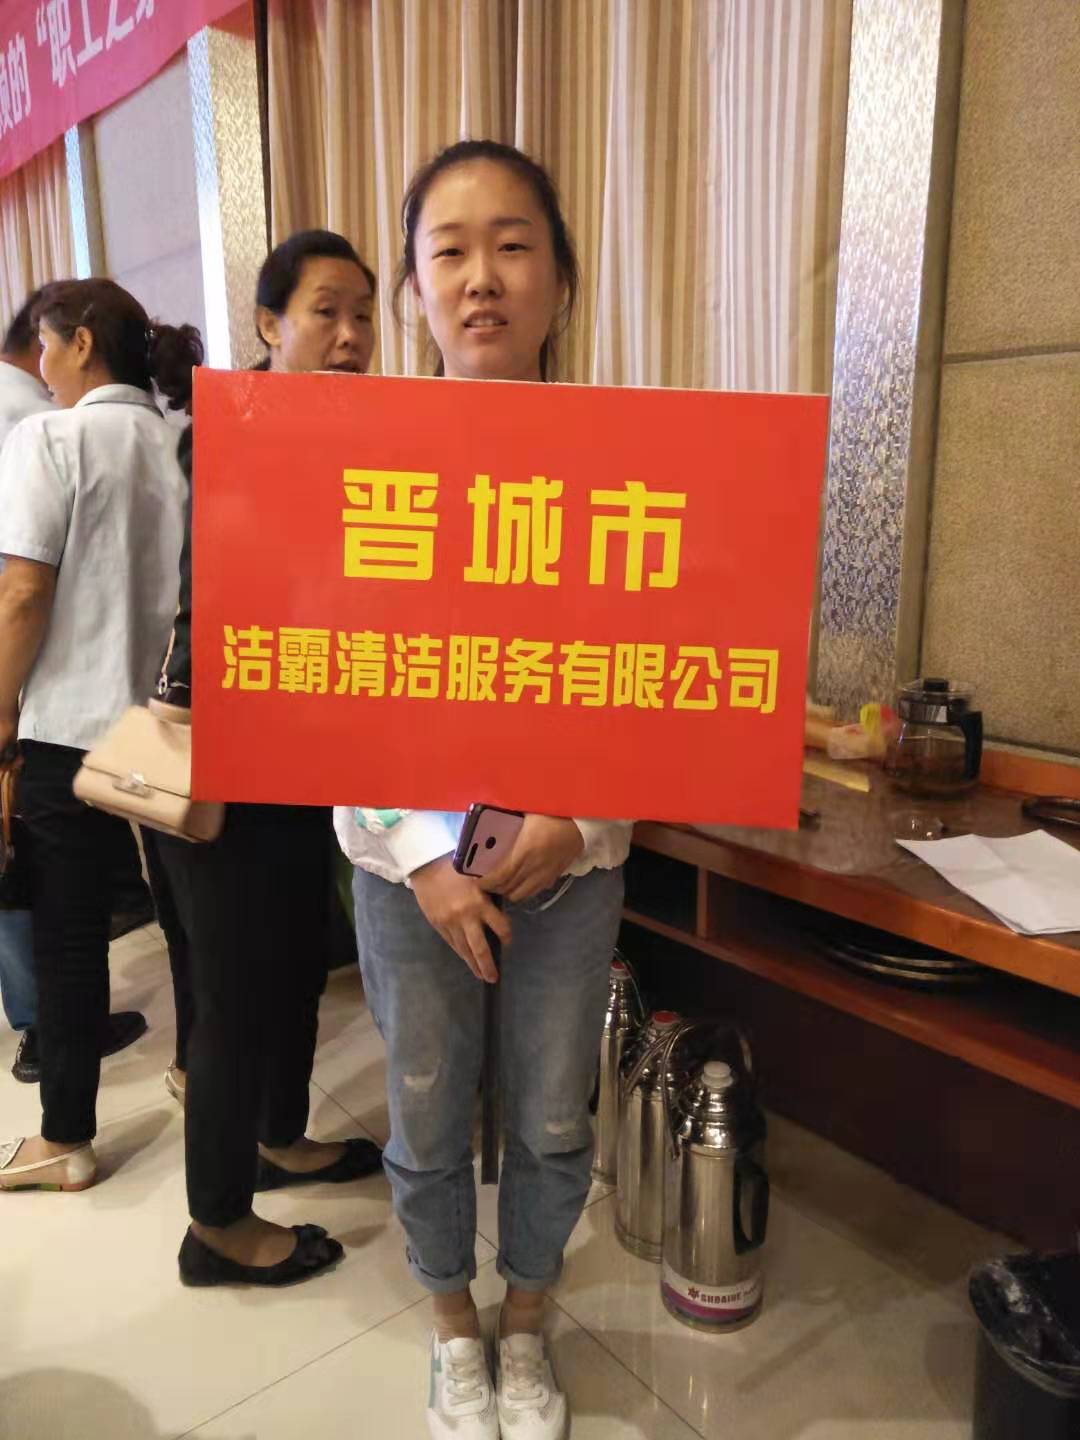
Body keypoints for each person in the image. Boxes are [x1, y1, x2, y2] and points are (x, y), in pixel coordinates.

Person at [335, 141, 631, 1440]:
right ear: (412, 289)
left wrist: (580, 822)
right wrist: (423, 855)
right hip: (411, 873)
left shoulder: (635, 462)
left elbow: (662, 678)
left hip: (573, 866)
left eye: (514, 245)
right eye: (448, 251)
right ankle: (454, 1326)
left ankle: (527, 1322)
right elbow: (326, 684)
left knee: (555, 1111)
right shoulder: (361, 464)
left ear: (562, 279)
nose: (481, 278)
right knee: (423, 1105)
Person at [153, 230, 382, 1289]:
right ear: (269, 323)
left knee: (296, 960)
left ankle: (279, 1137)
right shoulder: (229, 434)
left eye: (364, 315)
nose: (350, 335)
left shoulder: (344, 435)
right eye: (326, 311)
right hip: (227, 754)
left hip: (301, 751)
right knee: (234, 994)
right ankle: (216, 1226)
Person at [0, 278, 201, 1191]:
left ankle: (67, 1140)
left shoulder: (50, 439)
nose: (40, 367)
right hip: (169, 719)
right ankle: (198, 1073)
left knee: (70, 936)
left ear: (81, 343)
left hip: (69, 724)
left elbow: (22, 594)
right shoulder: (181, 441)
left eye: (46, 346)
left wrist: (0, 713)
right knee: (189, 921)